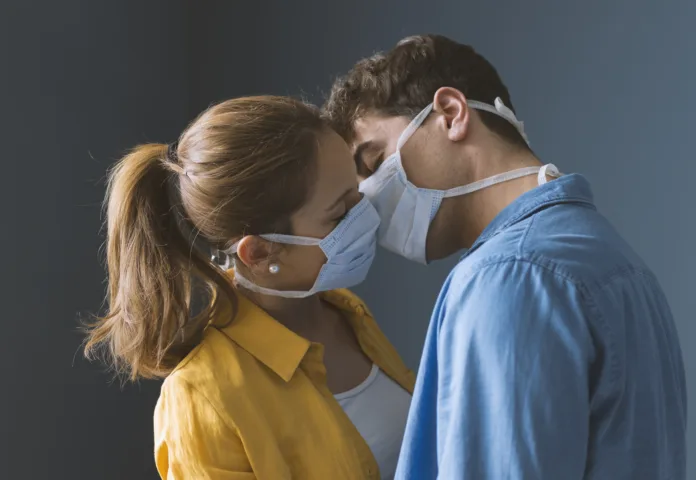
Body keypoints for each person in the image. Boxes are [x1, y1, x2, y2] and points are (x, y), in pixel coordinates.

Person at [323, 34, 687, 479]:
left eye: (374, 159)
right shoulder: (608, 256)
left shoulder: (509, 276)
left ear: (451, 114)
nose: (369, 198)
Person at [84, 96, 414, 479]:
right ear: (258, 253)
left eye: (357, 194)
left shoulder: (345, 311)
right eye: (340, 213)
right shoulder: (202, 397)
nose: (366, 215)